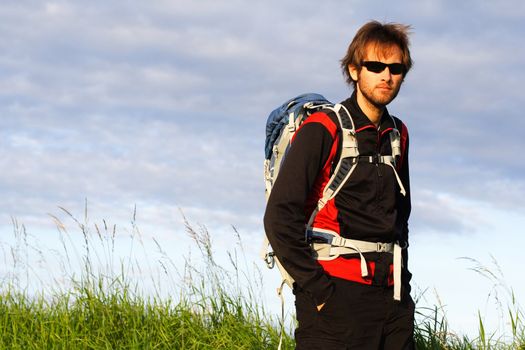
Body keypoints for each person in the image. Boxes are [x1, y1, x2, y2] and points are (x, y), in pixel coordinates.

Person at [263, 21, 415, 349]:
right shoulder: (323, 129)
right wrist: (320, 293)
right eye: (375, 66)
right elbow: (279, 218)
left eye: (395, 68)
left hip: (393, 302)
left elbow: (401, 218)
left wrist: (405, 292)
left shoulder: (398, 134)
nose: (386, 76)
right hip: (333, 295)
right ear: (354, 70)